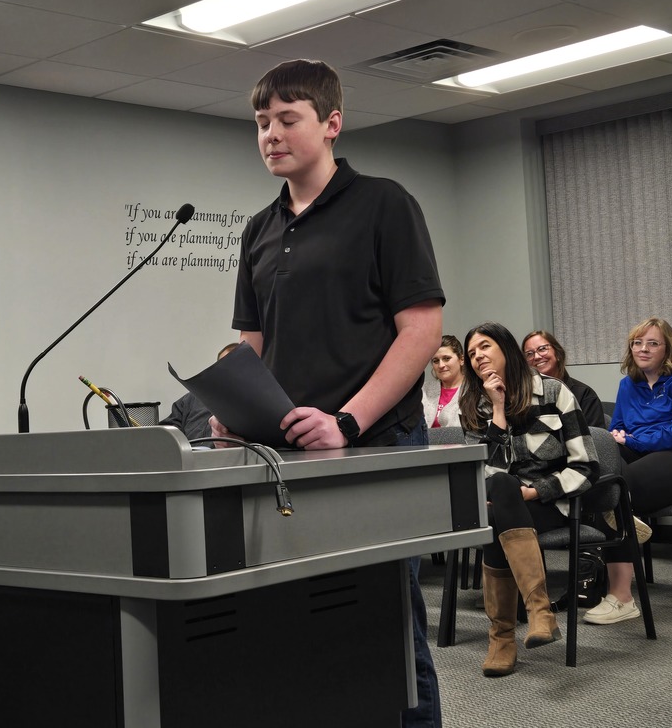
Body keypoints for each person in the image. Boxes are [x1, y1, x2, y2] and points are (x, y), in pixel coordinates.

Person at [212, 59, 445, 727]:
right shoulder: (259, 229)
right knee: (303, 624)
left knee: (387, 626)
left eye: (288, 119)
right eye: (262, 123)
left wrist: (346, 420)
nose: (271, 135)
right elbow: (252, 344)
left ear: (332, 123)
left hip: (376, 445)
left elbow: (421, 331)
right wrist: (232, 405)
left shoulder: (384, 204)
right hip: (289, 455)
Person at [458, 322, 599, 677]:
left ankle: (501, 639)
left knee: (496, 516)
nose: (478, 357)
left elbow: (586, 466)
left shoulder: (554, 392)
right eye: (471, 353)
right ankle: (539, 611)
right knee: (501, 487)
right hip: (502, 503)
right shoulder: (473, 404)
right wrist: (498, 409)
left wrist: (536, 491)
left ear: (506, 349)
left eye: (485, 347)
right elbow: (484, 474)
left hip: (550, 503)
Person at [585, 316, 672, 624]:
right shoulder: (628, 384)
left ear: (668, 349)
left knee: (618, 487)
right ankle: (621, 533)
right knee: (601, 468)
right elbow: (618, 427)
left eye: (652, 343)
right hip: (645, 455)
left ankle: (621, 598)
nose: (643, 349)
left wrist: (634, 440)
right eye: (637, 343)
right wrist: (623, 439)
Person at [521, 330, 607, 428]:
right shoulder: (522, 397)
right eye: (529, 354)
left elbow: (593, 436)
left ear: (558, 354)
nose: (536, 357)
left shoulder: (584, 395)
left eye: (542, 349)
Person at [159, 342, 238, 441]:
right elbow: (167, 432)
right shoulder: (191, 399)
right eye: (222, 365)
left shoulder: (247, 405)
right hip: (188, 450)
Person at [423, 334, 464, 429]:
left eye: (446, 358)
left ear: (461, 360)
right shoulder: (423, 390)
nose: (441, 365)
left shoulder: (474, 392)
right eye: (436, 361)